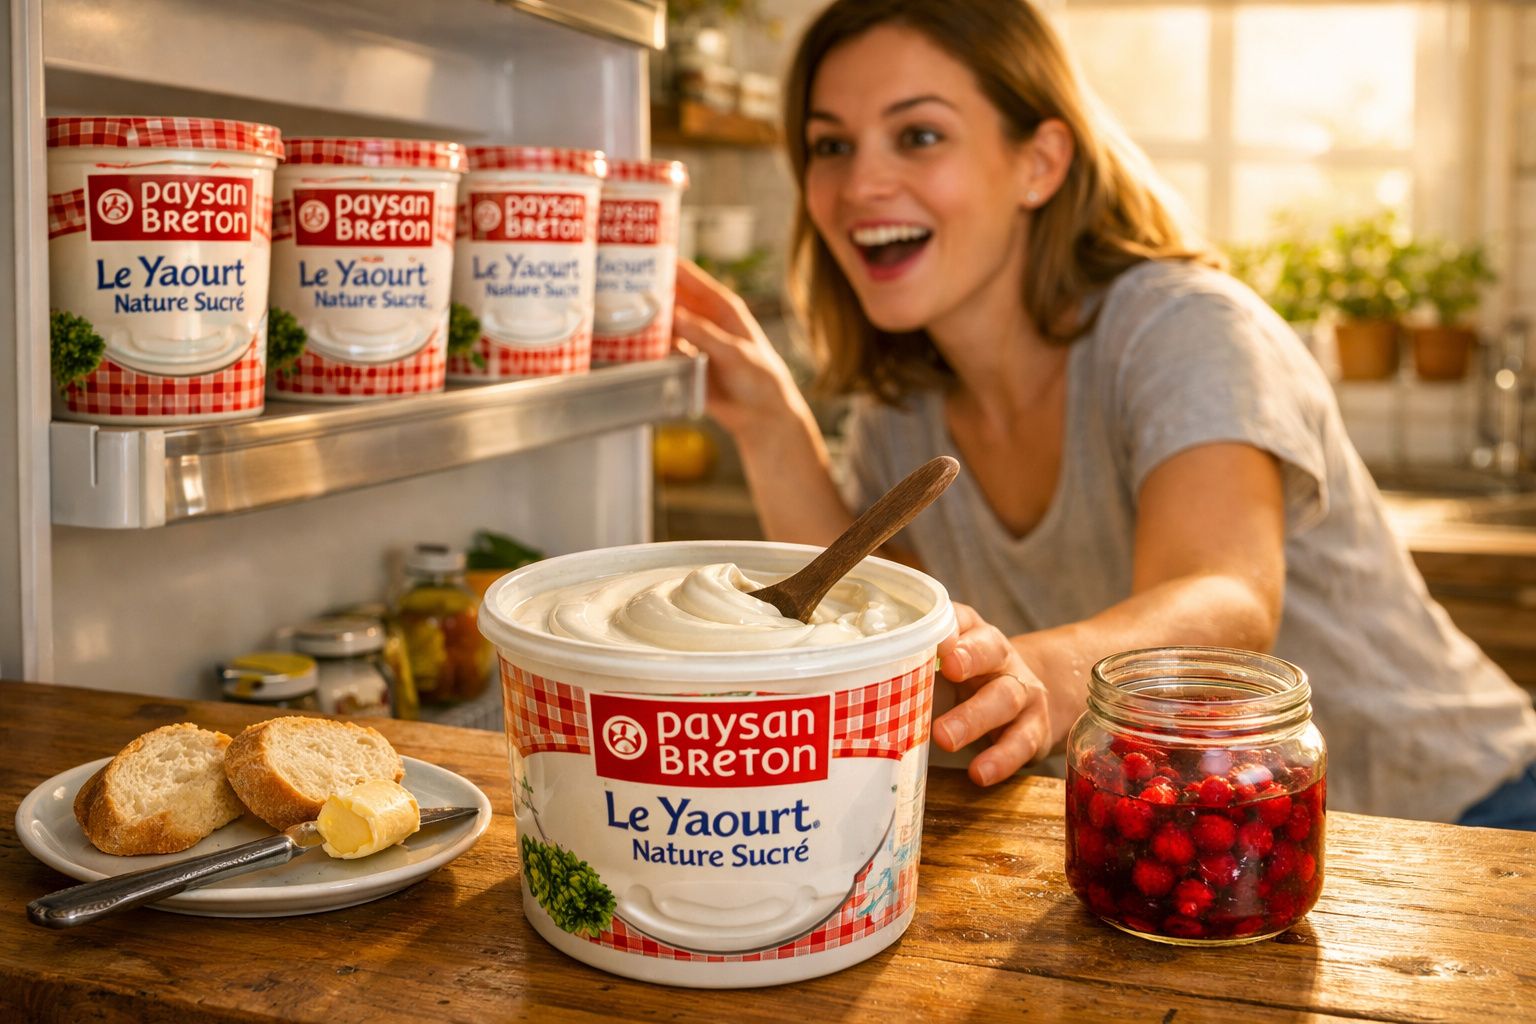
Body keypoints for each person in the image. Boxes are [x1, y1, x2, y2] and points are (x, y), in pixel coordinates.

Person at [671, 0, 1536, 828]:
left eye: (919, 134)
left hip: (1464, 821)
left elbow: (1227, 594)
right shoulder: (901, 411)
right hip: (1208, 847)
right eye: (830, 145)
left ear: (1040, 162)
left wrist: (1048, 671)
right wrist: (768, 423)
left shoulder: (1183, 327)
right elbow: (880, 634)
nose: (860, 182)